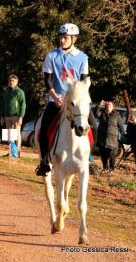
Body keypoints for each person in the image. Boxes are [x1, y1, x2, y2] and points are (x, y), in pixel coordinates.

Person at [35, 23, 89, 176]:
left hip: (75, 101)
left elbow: (84, 83)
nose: (62, 40)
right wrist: (55, 97)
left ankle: (88, 158)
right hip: (56, 99)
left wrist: (82, 100)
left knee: (93, 126)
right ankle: (44, 162)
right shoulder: (51, 56)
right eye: (61, 37)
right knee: (43, 129)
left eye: (65, 37)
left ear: (74, 39)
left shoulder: (83, 58)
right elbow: (47, 81)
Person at [0, 74, 26, 156]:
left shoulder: (20, 92)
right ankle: (11, 152)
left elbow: (23, 105)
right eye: (10, 81)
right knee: (9, 134)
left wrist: (21, 117)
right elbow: (3, 104)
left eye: (13, 81)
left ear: (17, 82)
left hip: (16, 116)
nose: (11, 82)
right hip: (7, 116)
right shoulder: (6, 91)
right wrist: (2, 116)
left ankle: (17, 152)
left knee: (17, 134)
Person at [95, 100, 125, 172]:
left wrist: (124, 133)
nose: (108, 106)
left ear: (113, 107)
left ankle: (112, 168)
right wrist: (99, 105)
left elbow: (121, 126)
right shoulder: (102, 113)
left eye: (110, 105)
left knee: (112, 155)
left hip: (112, 139)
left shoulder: (117, 115)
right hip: (102, 138)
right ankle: (105, 168)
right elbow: (96, 113)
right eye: (107, 105)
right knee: (103, 155)